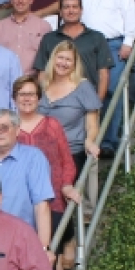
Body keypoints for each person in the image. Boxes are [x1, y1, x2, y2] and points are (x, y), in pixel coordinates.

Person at [75, 0, 135, 152]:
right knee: (85, 93)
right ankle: (85, 141)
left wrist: (128, 41)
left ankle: (108, 141)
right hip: (85, 46)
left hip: (113, 44)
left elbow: (131, 13)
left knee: (111, 90)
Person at [13, 74, 80, 270]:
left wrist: (67, 184)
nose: (27, 98)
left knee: (50, 248)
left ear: (39, 98)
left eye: (32, 94)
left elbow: (66, 159)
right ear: (14, 98)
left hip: (53, 194)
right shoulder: (9, 128)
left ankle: (62, 248)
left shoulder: (52, 125)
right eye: (22, 94)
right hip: (22, 199)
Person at [0, 109, 54, 252]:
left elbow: (41, 206)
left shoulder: (33, 158)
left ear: (17, 130)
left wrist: (44, 248)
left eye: (4, 127)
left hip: (21, 242)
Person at [39, 41, 102, 178]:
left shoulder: (83, 87)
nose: (63, 63)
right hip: (40, 153)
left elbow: (92, 125)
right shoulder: (42, 85)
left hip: (71, 153)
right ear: (53, 59)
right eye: (60, 57)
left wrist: (90, 141)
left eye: (68, 60)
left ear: (75, 64)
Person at [33, 0, 112, 100]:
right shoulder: (49, 39)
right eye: (66, 7)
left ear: (81, 11)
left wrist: (98, 103)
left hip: (88, 99)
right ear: (60, 12)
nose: (71, 11)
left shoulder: (97, 38)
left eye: (75, 7)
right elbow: (42, 73)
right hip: (56, 100)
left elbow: (103, 74)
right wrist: (45, 101)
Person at [0, 0, 46, 74]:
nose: (20, 0)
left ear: (31, 0)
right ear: (11, 0)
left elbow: (47, 59)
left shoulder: (43, 26)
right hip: (5, 81)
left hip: (32, 82)